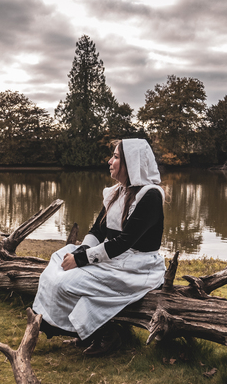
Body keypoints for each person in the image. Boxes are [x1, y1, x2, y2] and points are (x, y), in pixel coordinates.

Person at [32, 138, 166, 356]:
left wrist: (81, 260)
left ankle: (106, 334)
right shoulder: (116, 192)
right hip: (115, 258)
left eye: (115, 156)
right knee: (56, 265)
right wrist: (79, 252)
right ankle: (84, 331)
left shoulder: (149, 195)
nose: (109, 161)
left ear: (130, 162)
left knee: (66, 283)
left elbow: (123, 243)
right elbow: (97, 231)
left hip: (136, 266)